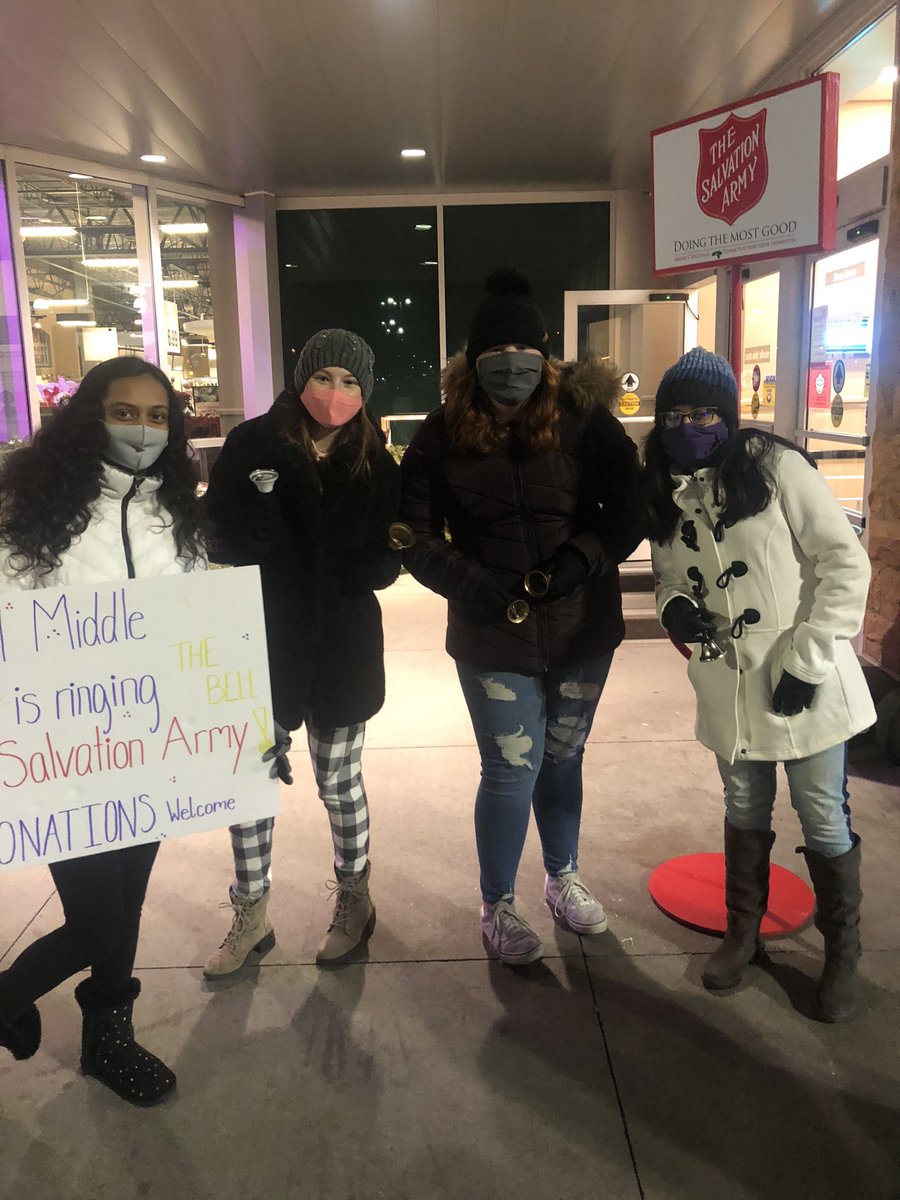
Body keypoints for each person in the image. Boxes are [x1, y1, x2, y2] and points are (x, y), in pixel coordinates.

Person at [400, 269, 643, 966]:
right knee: (510, 769)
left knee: (563, 758)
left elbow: (630, 510)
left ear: (546, 356)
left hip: (581, 628)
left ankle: (562, 877)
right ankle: (497, 904)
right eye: (496, 356)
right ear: (474, 363)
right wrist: (475, 585)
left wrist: (581, 561)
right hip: (490, 634)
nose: (513, 368)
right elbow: (412, 534)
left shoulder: (584, 420)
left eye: (526, 354)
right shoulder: (441, 433)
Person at [646, 347, 875, 1022]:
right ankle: (743, 933)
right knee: (743, 804)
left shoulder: (777, 468)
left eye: (705, 413)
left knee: (821, 811)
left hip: (805, 677)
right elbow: (667, 576)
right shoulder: (664, 487)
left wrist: (809, 661)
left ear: (729, 415)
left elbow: (845, 565)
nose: (690, 426)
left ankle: (842, 953)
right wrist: (673, 607)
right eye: (675, 415)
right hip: (727, 679)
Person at [0, 356, 207, 1104]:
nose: (142, 430)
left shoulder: (176, 515)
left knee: (126, 904)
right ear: (90, 416)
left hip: (148, 748)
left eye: (157, 416)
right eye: (124, 412)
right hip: (66, 753)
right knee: (96, 919)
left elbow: (201, 630)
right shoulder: (28, 513)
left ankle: (107, 1040)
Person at [203, 328, 400, 974]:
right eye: (323, 377)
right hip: (261, 637)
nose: (335, 392)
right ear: (301, 379)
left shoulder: (375, 460)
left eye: (350, 381)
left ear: (365, 392)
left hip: (342, 644)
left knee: (339, 782)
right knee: (250, 782)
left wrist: (379, 561)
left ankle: (355, 899)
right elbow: (217, 529)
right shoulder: (252, 444)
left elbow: (390, 548)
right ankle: (250, 911)